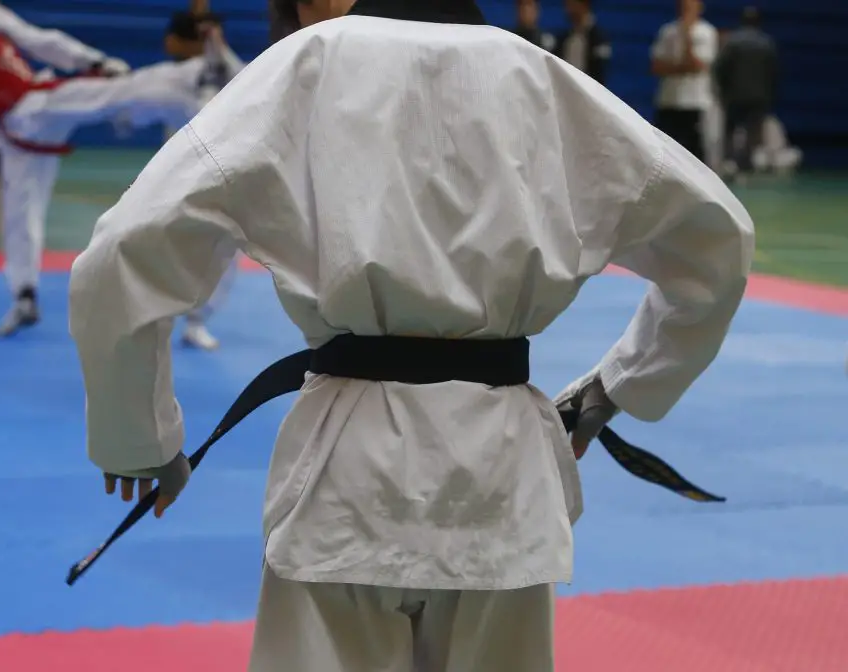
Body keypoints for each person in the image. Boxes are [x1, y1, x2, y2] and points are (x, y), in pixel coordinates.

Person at [68, 0, 755, 669]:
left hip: (347, 477)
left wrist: (139, 438)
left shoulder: (303, 66)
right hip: (500, 485)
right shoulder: (552, 83)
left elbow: (122, 253)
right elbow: (720, 238)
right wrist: (624, 381)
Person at [0, 0, 231, 337]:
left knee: (117, 90)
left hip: (38, 103)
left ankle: (193, 92)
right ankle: (24, 295)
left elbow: (42, 41)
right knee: (20, 211)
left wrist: (92, 61)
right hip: (12, 128)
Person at [159, 3, 247, 350]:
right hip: (178, 179)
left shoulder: (230, 72)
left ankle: (196, 321)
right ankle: (156, 316)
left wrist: (217, 44)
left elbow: (241, 74)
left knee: (225, 250)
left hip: (222, 178)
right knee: (169, 251)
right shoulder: (175, 78)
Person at [713, 6, 778, 180]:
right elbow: (773, 73)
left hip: (734, 95)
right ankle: (745, 166)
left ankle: (729, 165)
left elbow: (720, 68)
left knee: (730, 131)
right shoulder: (767, 43)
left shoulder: (733, 42)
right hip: (759, 97)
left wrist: (723, 90)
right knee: (752, 133)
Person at [651, 0, 719, 162]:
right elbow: (656, 66)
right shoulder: (668, 31)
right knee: (664, 153)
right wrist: (681, 68)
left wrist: (687, 36)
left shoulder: (707, 32)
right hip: (668, 101)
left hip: (694, 103)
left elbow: (696, 66)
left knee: (695, 155)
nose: (685, 9)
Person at [556, 0, 610, 86]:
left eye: (572, 4)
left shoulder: (599, 37)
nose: (568, 9)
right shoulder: (565, 38)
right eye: (567, 5)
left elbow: (600, 72)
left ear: (584, 4)